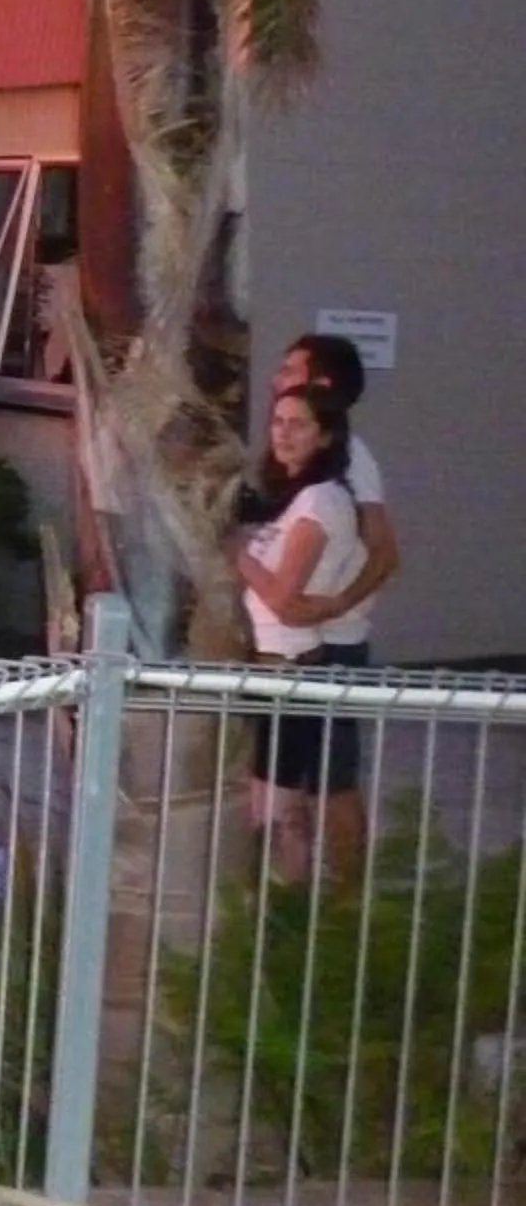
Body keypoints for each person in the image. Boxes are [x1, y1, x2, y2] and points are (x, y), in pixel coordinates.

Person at [229, 383, 368, 883]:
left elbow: (285, 601)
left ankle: (285, 911)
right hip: (270, 672)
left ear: (325, 435)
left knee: (278, 811)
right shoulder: (292, 500)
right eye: (278, 422)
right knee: (268, 802)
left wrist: (239, 556)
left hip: (291, 672)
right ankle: (282, 903)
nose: (283, 434)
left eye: (299, 424)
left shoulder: (320, 502)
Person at [264, 331, 399, 666]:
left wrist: (339, 603)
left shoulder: (351, 458)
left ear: (321, 385)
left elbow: (384, 552)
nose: (275, 381)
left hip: (329, 644)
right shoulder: (296, 465)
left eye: (289, 371)